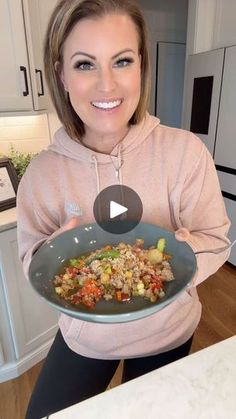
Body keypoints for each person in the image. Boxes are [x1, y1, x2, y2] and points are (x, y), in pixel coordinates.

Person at [16, 0, 231, 417]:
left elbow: (216, 239)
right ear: (60, 73)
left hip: (167, 331)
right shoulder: (42, 173)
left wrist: (180, 255)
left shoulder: (186, 152)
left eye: (122, 60)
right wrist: (51, 258)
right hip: (84, 336)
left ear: (141, 67)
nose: (106, 86)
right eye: (84, 64)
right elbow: (32, 258)